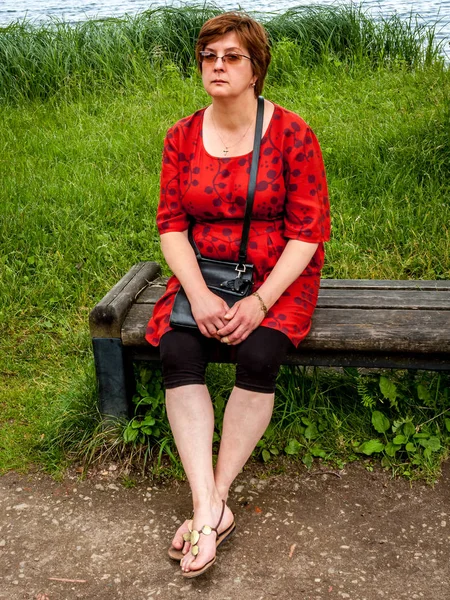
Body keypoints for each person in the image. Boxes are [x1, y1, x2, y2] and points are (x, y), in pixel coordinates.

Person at [145, 12, 330, 578]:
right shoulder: (181, 135)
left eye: (231, 57)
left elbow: (308, 231)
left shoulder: (293, 134)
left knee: (258, 353)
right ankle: (210, 506)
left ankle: (213, 498)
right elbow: (171, 226)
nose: (217, 65)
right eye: (208, 56)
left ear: (256, 69)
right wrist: (198, 295)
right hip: (207, 274)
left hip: (277, 276)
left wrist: (262, 302)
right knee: (178, 351)